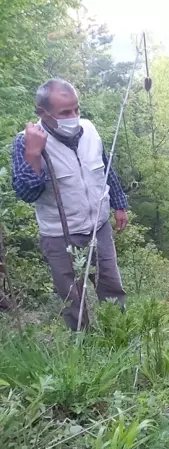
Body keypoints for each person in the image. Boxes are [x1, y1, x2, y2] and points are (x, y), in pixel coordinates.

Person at [11, 78, 128, 330]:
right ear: (43, 113)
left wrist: (119, 204)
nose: (73, 116)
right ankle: (81, 344)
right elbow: (26, 193)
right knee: (71, 296)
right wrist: (33, 153)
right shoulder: (25, 141)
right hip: (59, 235)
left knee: (111, 284)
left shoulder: (89, 129)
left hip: (99, 226)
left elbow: (104, 168)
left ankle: (119, 332)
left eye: (76, 109)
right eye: (65, 112)